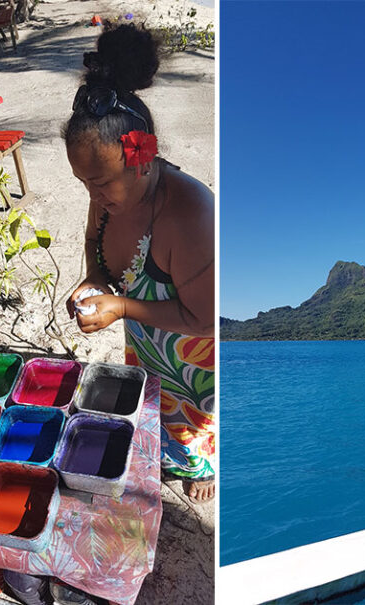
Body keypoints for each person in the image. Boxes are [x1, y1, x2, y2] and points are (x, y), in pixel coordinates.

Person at [63, 24, 216, 501]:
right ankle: (175, 457)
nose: (93, 195)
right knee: (154, 402)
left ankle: (203, 471)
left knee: (193, 423)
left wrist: (123, 307)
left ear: (143, 160)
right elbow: (94, 237)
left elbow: (206, 320)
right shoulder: (107, 189)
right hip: (149, 345)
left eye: (102, 183)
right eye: (84, 182)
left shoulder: (189, 214)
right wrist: (93, 276)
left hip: (195, 355)